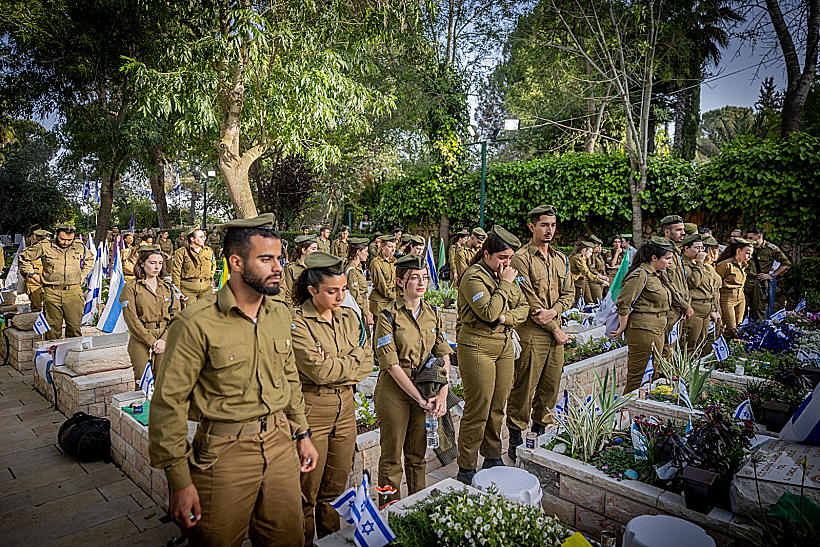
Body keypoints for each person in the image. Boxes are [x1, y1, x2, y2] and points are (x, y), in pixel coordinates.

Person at [149, 214, 318, 547]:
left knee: (289, 539)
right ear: (236, 262)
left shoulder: (280, 313)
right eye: (266, 259)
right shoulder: (196, 322)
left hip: (281, 447)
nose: (278, 267)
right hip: (223, 455)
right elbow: (168, 405)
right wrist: (179, 482)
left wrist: (303, 432)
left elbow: (289, 378)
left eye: (279, 258)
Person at [290, 252, 372, 545]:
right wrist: (347, 363)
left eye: (344, 289)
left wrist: (336, 364)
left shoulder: (351, 317)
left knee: (335, 490)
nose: (340, 296)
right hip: (314, 410)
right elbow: (317, 371)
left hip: (346, 408)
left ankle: (329, 541)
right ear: (313, 290)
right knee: (306, 494)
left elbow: (367, 361)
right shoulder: (298, 322)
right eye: (332, 291)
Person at [373, 253, 452, 502]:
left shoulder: (432, 313)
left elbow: (444, 355)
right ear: (400, 282)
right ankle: (390, 509)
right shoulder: (387, 317)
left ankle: (417, 505)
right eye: (414, 278)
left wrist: (442, 394)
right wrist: (420, 399)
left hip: (425, 391)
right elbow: (392, 365)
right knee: (391, 458)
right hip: (395, 392)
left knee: (417, 456)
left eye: (424, 277)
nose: (421, 282)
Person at [455, 226, 529, 484]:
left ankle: (492, 456)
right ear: (486, 254)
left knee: (498, 405)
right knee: (479, 407)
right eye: (501, 258)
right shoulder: (474, 277)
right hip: (477, 345)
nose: (506, 263)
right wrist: (506, 285)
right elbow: (487, 312)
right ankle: (466, 466)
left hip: (503, 343)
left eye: (509, 258)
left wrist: (507, 317)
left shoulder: (504, 276)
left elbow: (524, 307)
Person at [506, 205, 574, 461]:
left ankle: (538, 432)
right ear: (531, 226)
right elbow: (528, 298)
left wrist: (554, 313)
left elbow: (569, 293)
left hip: (554, 332)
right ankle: (515, 437)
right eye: (544, 225)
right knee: (524, 388)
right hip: (532, 333)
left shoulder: (561, 258)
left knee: (550, 388)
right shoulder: (520, 258)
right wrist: (554, 326)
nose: (549, 230)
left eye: (553, 225)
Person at [609, 237, 675, 393]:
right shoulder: (640, 275)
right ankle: (624, 411)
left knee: (654, 372)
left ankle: (641, 411)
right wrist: (621, 328)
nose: (670, 262)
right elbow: (623, 303)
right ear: (654, 258)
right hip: (642, 330)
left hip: (657, 328)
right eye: (667, 258)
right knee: (638, 376)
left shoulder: (657, 275)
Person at [19, 224, 94, 340]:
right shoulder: (44, 246)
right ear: (56, 234)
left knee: (74, 328)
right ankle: (53, 356)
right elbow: (23, 258)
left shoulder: (79, 246)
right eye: (62, 239)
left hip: (73, 293)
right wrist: (33, 275)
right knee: (52, 329)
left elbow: (90, 259)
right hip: (52, 293)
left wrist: (83, 274)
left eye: (69, 240)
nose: (66, 242)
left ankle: (71, 356)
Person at [119, 244, 180, 382]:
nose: (157, 267)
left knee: (163, 381)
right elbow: (132, 320)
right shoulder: (131, 288)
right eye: (152, 263)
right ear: (142, 263)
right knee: (142, 381)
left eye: (160, 263)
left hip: (165, 335)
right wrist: (153, 342)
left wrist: (164, 340)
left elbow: (176, 316)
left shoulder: (168, 287)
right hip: (141, 336)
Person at [681, 234, 720, 356]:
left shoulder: (698, 264)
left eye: (702, 248)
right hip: (695, 308)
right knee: (689, 345)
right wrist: (700, 262)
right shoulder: (685, 265)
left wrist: (714, 309)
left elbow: (711, 288)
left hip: (706, 308)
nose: (700, 251)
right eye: (697, 248)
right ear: (686, 248)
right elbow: (694, 282)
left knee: (701, 343)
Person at [660, 215, 693, 358]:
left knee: (674, 347)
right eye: (678, 230)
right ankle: (659, 379)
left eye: (683, 229)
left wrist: (686, 304)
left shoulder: (676, 252)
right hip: (669, 309)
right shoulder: (662, 253)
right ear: (667, 232)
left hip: (679, 308)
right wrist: (685, 305)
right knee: (666, 348)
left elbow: (682, 282)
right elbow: (667, 284)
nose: (683, 233)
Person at [744, 227, 791, 320]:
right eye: (748, 238)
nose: (749, 240)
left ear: (759, 236)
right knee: (743, 309)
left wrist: (772, 275)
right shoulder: (748, 248)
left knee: (760, 310)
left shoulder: (771, 249)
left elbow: (786, 263)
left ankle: (760, 331)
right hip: (747, 280)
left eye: (751, 238)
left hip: (760, 282)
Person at [716, 239, 754, 339]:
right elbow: (715, 284)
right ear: (738, 251)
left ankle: (734, 351)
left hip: (740, 298)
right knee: (729, 329)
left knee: (739, 327)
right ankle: (723, 351)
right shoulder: (726, 264)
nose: (750, 257)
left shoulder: (743, 265)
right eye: (747, 253)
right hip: (727, 298)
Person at [171, 227, 216, 306]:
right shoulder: (181, 253)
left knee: (206, 314)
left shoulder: (208, 251)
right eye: (201, 237)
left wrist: (210, 281)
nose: (204, 239)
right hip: (188, 289)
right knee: (190, 315)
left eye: (204, 237)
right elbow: (176, 272)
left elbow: (213, 266)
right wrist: (177, 290)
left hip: (206, 289)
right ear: (192, 239)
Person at [282, 234, 318, 312]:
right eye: (313, 249)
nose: (316, 252)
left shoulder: (316, 268)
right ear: (304, 250)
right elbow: (288, 295)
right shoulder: (291, 269)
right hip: (298, 311)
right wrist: (293, 314)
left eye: (316, 249)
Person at [344, 238, 371, 330]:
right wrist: (366, 312)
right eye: (366, 251)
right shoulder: (352, 270)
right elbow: (355, 294)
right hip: (356, 308)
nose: (367, 254)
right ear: (358, 252)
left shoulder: (358, 267)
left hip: (361, 306)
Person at [368, 234, 397, 316]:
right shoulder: (376, 262)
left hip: (392, 300)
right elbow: (380, 284)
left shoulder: (394, 262)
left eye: (394, 247)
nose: (393, 250)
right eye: (390, 247)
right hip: (380, 302)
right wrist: (393, 296)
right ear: (382, 247)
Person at [23, 229, 51, 312]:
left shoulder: (53, 251)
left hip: (49, 282)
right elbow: (23, 267)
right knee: (35, 308)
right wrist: (33, 276)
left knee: (51, 308)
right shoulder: (28, 251)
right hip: (34, 282)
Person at [703, 236, 723, 344]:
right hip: (709, 307)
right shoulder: (705, 267)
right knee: (708, 341)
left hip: (714, 305)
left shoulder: (710, 266)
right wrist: (713, 310)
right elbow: (708, 291)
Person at [569, 241, 597, 305]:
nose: (591, 254)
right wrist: (601, 281)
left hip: (575, 281)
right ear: (584, 250)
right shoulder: (579, 258)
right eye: (590, 252)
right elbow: (586, 272)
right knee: (575, 302)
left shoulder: (581, 257)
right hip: (573, 282)